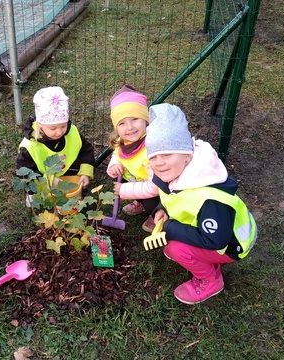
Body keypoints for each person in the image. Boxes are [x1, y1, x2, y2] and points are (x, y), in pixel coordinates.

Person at [145, 103, 257, 305]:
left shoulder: (210, 197)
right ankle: (202, 259)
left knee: (178, 249)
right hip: (212, 233)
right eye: (153, 156)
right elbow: (175, 200)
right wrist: (162, 209)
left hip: (230, 244)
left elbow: (215, 241)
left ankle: (210, 280)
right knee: (174, 246)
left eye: (167, 154)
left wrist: (170, 228)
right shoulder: (175, 174)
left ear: (187, 155)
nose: (159, 162)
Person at [17, 86, 95, 206]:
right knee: (34, 185)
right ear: (40, 125)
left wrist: (85, 173)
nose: (59, 132)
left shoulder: (72, 133)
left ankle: (76, 185)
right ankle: (35, 195)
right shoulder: (29, 146)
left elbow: (86, 150)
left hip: (69, 175)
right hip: (42, 178)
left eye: (63, 126)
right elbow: (26, 172)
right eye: (53, 128)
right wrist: (51, 181)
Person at [106, 84, 159, 232]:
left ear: (145, 120)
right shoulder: (122, 141)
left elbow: (155, 187)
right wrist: (114, 165)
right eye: (122, 123)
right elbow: (117, 154)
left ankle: (158, 214)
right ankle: (141, 201)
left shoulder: (152, 146)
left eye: (135, 119)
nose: (129, 127)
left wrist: (125, 190)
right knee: (120, 175)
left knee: (152, 201)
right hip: (138, 180)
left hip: (158, 188)